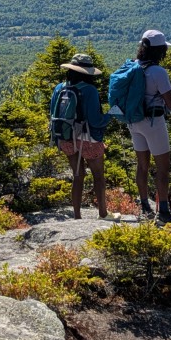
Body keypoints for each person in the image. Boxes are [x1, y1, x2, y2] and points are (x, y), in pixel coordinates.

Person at [128, 29, 171, 225]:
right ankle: (163, 211)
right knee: (163, 168)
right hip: (154, 122)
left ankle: (145, 206)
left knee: (142, 165)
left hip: (134, 121)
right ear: (160, 50)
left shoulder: (133, 67)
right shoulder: (158, 72)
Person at [53, 54, 112, 219]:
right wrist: (110, 115)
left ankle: (77, 216)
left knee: (78, 175)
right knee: (98, 176)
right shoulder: (90, 90)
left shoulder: (59, 88)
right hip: (88, 139)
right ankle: (103, 213)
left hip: (65, 138)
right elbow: (96, 120)